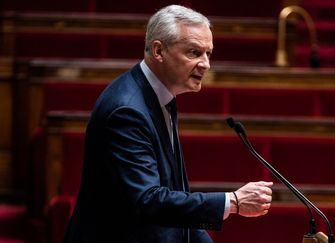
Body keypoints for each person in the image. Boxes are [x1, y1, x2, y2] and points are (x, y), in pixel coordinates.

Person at [62, 4, 273, 243]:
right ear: (159, 51)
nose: (205, 64)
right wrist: (232, 202)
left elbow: (173, 195)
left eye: (208, 53)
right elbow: (148, 201)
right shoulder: (127, 111)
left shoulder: (160, 96)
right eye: (194, 52)